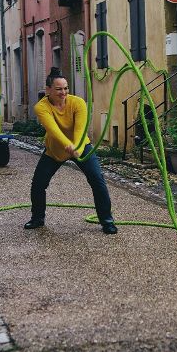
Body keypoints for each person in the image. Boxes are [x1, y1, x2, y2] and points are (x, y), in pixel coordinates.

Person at [25, 67, 118, 234]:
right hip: (55, 150)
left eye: (66, 88)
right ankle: (37, 218)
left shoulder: (78, 102)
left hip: (80, 145)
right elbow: (53, 130)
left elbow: (81, 131)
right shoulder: (41, 107)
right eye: (59, 89)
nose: (63, 92)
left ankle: (107, 221)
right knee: (38, 184)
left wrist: (77, 148)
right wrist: (68, 145)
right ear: (48, 90)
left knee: (97, 180)